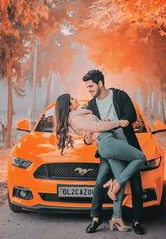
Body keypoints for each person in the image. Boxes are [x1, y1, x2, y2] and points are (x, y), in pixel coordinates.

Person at [55, 93, 146, 233]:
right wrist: (118, 123)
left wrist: (103, 123)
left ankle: (116, 217)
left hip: (108, 140)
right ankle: (115, 185)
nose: (76, 98)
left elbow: (95, 126)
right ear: (68, 105)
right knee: (140, 157)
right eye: (72, 99)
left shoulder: (81, 114)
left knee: (119, 176)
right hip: (107, 142)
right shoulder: (75, 119)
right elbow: (98, 127)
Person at [83, 69, 146, 235]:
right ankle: (95, 218)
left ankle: (137, 220)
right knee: (100, 180)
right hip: (108, 148)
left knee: (136, 185)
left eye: (90, 86)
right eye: (87, 87)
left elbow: (131, 115)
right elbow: (89, 128)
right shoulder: (91, 105)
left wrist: (115, 123)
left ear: (100, 83)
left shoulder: (119, 95)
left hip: (127, 145)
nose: (89, 90)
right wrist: (89, 135)